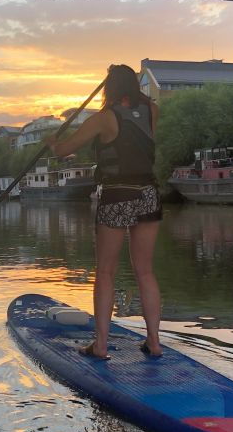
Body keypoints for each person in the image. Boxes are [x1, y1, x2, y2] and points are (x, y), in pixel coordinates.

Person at [45, 64, 163, 359]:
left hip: (117, 195)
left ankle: (100, 345)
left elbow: (63, 151)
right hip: (148, 194)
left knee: (106, 272)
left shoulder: (103, 118)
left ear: (109, 88)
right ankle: (154, 342)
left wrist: (53, 144)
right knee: (145, 272)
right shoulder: (152, 111)